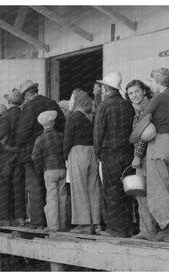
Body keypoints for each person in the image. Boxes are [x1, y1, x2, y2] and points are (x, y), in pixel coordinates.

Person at [132, 68, 169, 242]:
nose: (149, 85)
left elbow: (144, 119)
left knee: (158, 188)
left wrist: (134, 137)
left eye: (151, 81)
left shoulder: (158, 97)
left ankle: (166, 228)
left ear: (157, 82)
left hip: (160, 144)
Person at [16, 80, 65, 228]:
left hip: (33, 153)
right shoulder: (52, 103)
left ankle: (38, 221)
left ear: (26, 95)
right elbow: (63, 125)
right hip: (54, 154)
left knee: (35, 186)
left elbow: (23, 133)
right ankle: (59, 222)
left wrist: (19, 144)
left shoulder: (29, 107)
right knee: (57, 191)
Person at [93, 71, 135, 237]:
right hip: (127, 153)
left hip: (110, 154)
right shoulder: (127, 105)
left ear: (106, 88)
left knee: (111, 192)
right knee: (126, 192)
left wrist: (97, 153)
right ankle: (127, 228)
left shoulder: (104, 106)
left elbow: (98, 133)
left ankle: (115, 229)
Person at [125, 80, 158, 241]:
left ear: (144, 91)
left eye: (137, 91)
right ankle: (148, 229)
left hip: (145, 156)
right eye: (131, 93)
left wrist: (137, 155)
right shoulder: (140, 110)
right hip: (147, 155)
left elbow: (144, 136)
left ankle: (148, 231)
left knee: (143, 193)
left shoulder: (146, 109)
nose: (134, 96)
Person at [64, 89, 100, 235]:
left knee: (79, 188)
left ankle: (84, 224)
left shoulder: (73, 117)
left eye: (72, 98)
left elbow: (67, 139)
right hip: (92, 151)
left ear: (77, 100)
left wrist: (65, 156)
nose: (71, 101)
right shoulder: (91, 116)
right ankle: (96, 223)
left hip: (77, 151)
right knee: (93, 188)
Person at [0, 89, 25, 226]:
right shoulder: (24, 115)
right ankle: (20, 218)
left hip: (5, 156)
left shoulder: (6, 117)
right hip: (20, 154)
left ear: (9, 101)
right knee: (18, 186)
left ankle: (4, 218)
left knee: (4, 186)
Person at [32, 111, 67, 232]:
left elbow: (35, 156)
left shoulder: (40, 138)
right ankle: (62, 225)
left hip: (49, 170)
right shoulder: (61, 135)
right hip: (62, 169)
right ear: (53, 122)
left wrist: (42, 167)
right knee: (62, 197)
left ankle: (53, 226)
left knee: (51, 198)